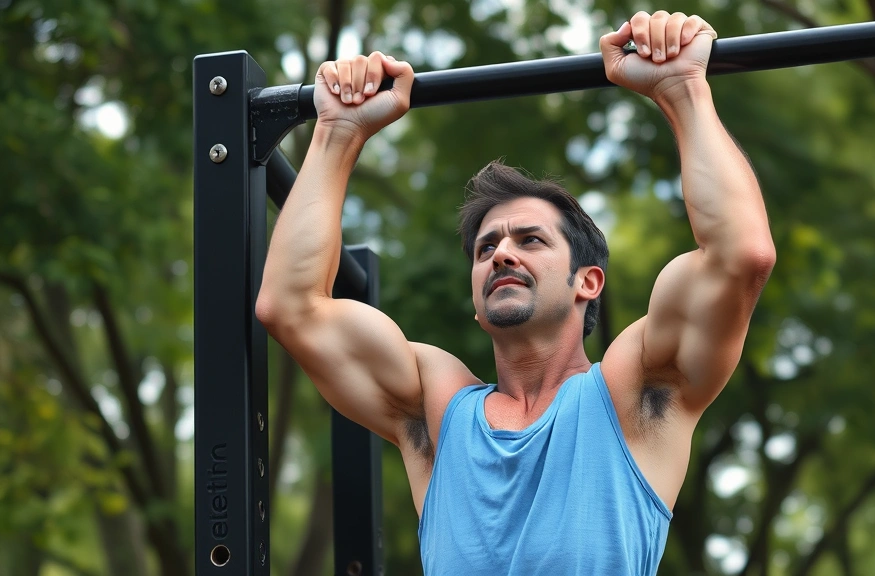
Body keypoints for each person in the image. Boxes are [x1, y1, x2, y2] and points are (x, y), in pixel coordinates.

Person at [256, 10, 774, 575]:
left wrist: (682, 91)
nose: (502, 253)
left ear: (588, 282)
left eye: (530, 240)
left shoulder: (636, 394)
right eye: (486, 249)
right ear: (477, 306)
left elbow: (738, 256)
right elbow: (292, 307)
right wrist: (336, 133)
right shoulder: (437, 411)